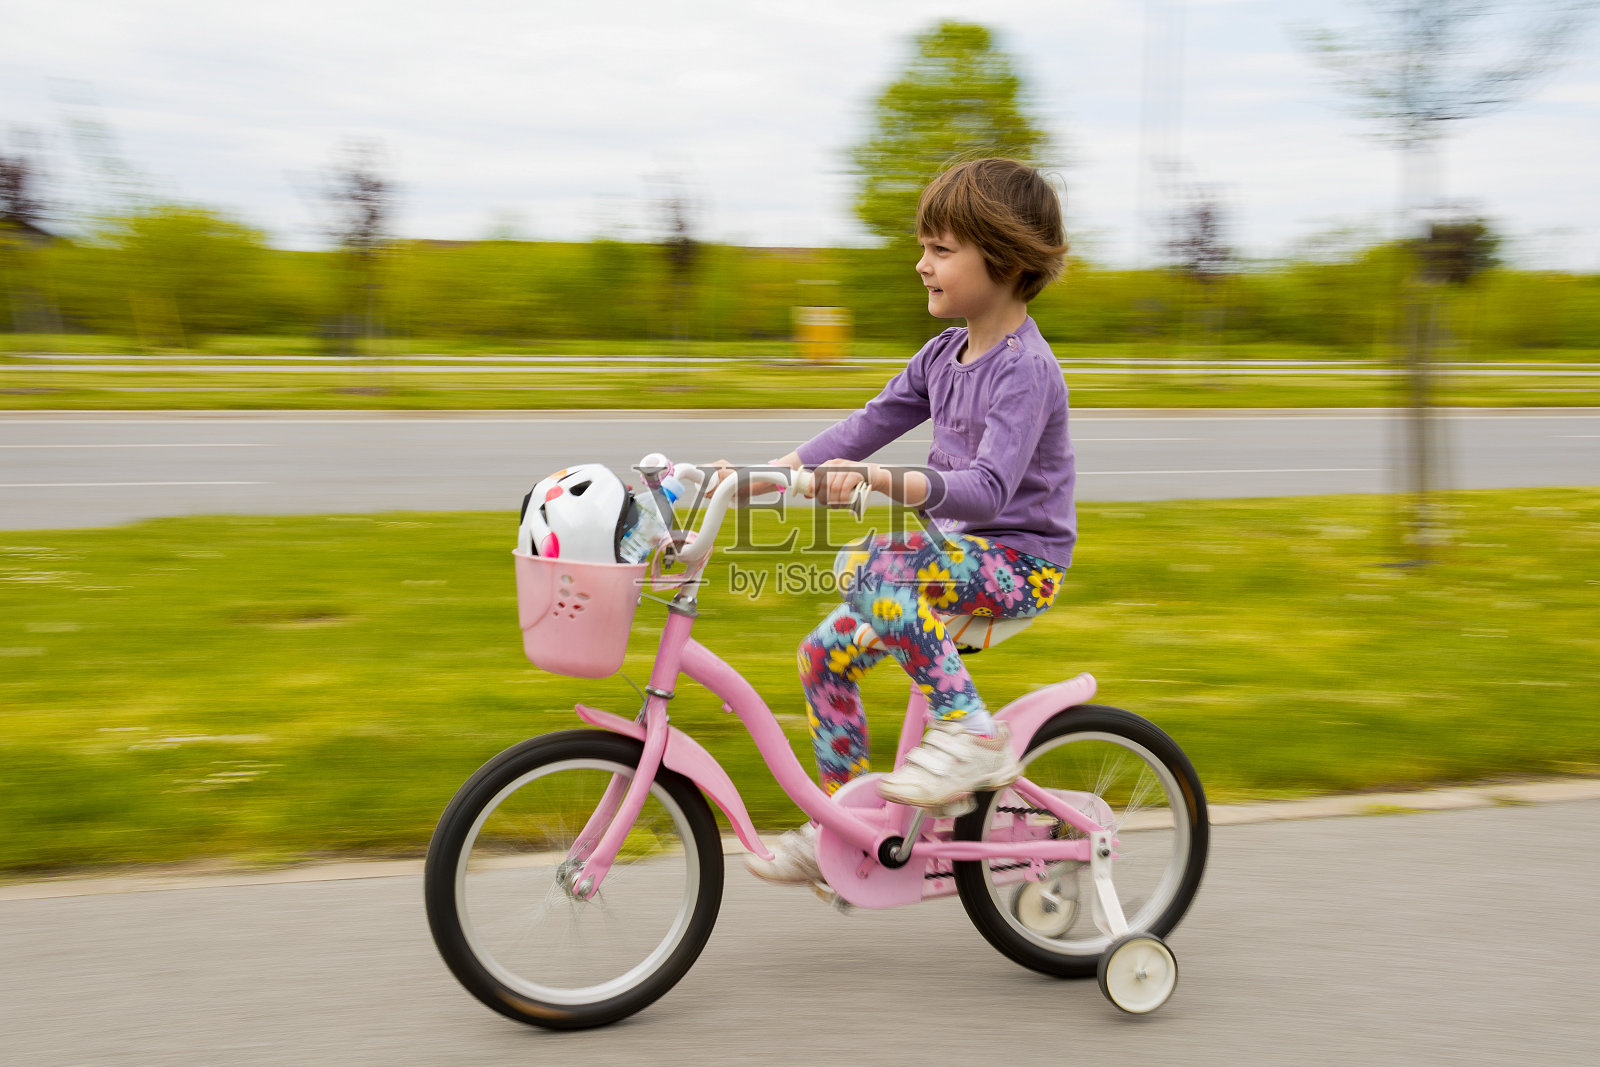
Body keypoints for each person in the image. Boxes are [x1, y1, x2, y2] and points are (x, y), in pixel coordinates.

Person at [721, 157, 1077, 890]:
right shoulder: (944, 354)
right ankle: (843, 829)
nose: (922, 265)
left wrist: (880, 484)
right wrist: (760, 480)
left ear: (1003, 259)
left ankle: (971, 729)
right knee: (823, 656)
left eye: (941, 249)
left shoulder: (1025, 370)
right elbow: (867, 424)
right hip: (953, 554)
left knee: (872, 560)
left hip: (1017, 561)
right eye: (924, 247)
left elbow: (984, 490)